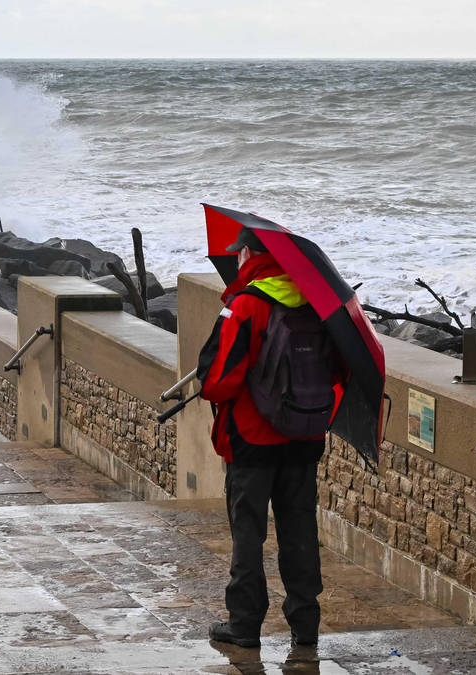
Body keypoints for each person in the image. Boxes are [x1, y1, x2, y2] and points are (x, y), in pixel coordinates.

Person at [197, 226, 329, 649]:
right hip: (304, 437)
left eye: (240, 252)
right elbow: (336, 370)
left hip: (252, 440)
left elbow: (217, 382)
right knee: (300, 530)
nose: (237, 258)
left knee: (249, 535)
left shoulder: (245, 305)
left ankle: (245, 624)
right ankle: (305, 624)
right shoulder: (316, 302)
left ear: (250, 255)